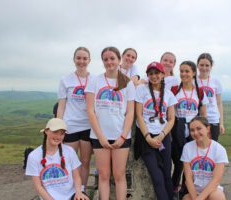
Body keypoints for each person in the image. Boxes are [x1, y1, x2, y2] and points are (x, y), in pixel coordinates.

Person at [85, 46, 135, 200]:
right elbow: (90, 111)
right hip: (99, 136)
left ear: (119, 60)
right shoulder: (94, 80)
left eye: (112, 58)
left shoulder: (127, 82)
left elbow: (130, 112)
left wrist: (123, 136)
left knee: (119, 175)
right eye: (105, 59)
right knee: (104, 175)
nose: (109, 62)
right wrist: (100, 137)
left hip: (121, 135)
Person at [134, 61, 177, 200]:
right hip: (146, 138)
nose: (154, 76)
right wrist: (148, 137)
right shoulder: (141, 90)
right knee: (157, 177)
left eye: (157, 73)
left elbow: (171, 119)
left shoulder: (169, 94)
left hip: (163, 136)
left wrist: (161, 135)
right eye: (151, 73)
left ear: (163, 74)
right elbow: (139, 115)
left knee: (166, 174)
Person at [25, 118, 89, 200]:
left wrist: (79, 192)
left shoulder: (69, 151)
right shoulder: (34, 156)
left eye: (62, 133)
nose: (58, 137)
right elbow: (38, 187)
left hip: (72, 194)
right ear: (46, 131)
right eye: (55, 132)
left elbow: (76, 177)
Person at [57, 47, 93, 189]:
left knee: (85, 162)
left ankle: (81, 191)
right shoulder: (65, 79)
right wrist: (59, 127)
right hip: (70, 126)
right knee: (69, 162)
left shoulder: (94, 79)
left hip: (88, 127)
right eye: (79, 58)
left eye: (85, 58)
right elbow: (61, 106)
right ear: (74, 59)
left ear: (89, 60)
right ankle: (70, 190)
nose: (81, 61)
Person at [171, 61, 209, 193]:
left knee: (191, 160)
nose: (183, 74)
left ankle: (186, 188)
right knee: (178, 161)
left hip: (194, 129)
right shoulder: (175, 90)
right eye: (181, 71)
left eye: (187, 71)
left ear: (194, 73)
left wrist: (204, 133)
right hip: (177, 128)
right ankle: (174, 187)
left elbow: (203, 115)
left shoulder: (199, 92)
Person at [181, 116, 228, 200]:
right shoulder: (187, 148)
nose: (195, 133)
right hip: (194, 191)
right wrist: (196, 198)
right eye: (192, 130)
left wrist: (200, 198)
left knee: (218, 197)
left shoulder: (219, 149)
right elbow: (188, 179)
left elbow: (216, 180)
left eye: (199, 128)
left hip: (212, 190)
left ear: (208, 128)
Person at [196, 53, 225, 141]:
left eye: (207, 65)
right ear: (197, 65)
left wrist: (221, 123)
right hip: (198, 119)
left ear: (211, 66)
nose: (204, 68)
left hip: (213, 119)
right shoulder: (193, 81)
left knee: (212, 147)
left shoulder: (216, 81)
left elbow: (219, 103)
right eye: (201, 65)